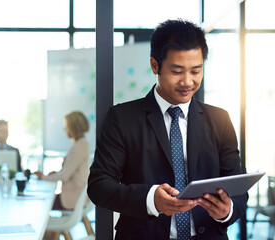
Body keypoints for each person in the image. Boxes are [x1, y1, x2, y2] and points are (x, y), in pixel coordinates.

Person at [87, 19, 248, 240]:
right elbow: (99, 186)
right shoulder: (123, 118)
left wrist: (226, 210)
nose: (188, 81)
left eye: (196, 71)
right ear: (155, 66)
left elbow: (238, 189)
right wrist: (151, 199)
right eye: (177, 71)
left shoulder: (219, 119)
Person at [34, 111, 90, 210]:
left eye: (67, 126)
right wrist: (54, 174)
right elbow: (68, 171)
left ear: (73, 128)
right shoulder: (81, 144)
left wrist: (43, 177)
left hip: (72, 197)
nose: (65, 129)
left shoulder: (79, 147)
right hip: (75, 194)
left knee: (40, 203)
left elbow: (64, 176)